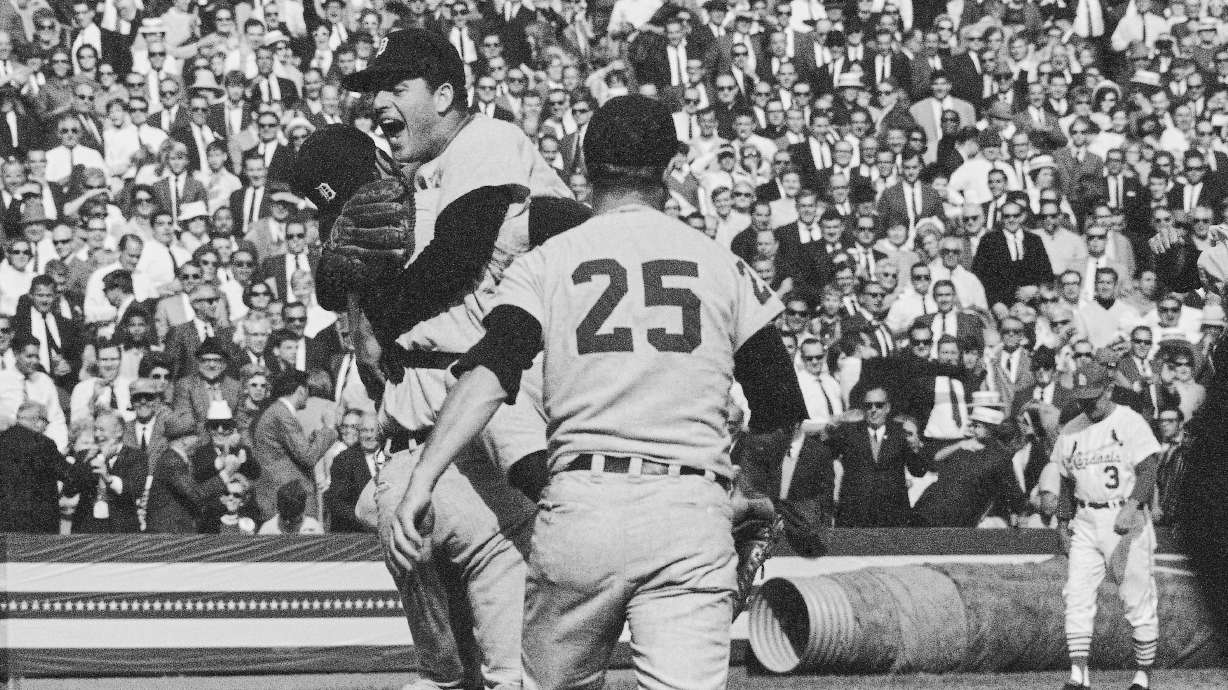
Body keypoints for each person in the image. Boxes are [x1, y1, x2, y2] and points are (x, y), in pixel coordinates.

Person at [385, 94, 805, 688]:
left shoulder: (549, 260)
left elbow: (487, 376)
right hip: (689, 510)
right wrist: (750, 490)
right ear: (671, 167)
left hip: (582, 503)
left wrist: (421, 482)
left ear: (584, 165)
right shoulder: (722, 264)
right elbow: (780, 403)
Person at [1051, 361, 1162, 690]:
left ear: (1109, 389)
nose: (1087, 404)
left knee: (1136, 596)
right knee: (1077, 594)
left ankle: (1142, 675)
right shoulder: (1071, 429)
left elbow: (1149, 467)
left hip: (1123, 516)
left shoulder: (1129, 421)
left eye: (1093, 397)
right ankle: (1078, 674)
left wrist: (1133, 505)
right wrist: (1062, 519)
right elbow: (1066, 481)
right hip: (1085, 518)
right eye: (1082, 398)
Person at [910, 405, 1029, 527]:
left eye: (976, 426)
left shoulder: (969, 447)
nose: (971, 428)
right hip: (951, 518)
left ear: (991, 429)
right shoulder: (998, 456)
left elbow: (935, 460)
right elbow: (1015, 496)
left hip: (928, 509)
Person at [250, 369, 337, 521]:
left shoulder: (278, 411)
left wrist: (314, 437)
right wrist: (329, 428)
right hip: (287, 499)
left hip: (283, 494)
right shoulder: (281, 414)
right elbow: (308, 457)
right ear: (301, 391)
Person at [0, 402, 86, 533]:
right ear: (37, 420)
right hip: (38, 524)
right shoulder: (43, 444)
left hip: (4, 522)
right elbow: (71, 477)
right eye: (46, 422)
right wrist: (83, 458)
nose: (46, 428)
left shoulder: (2, 440)